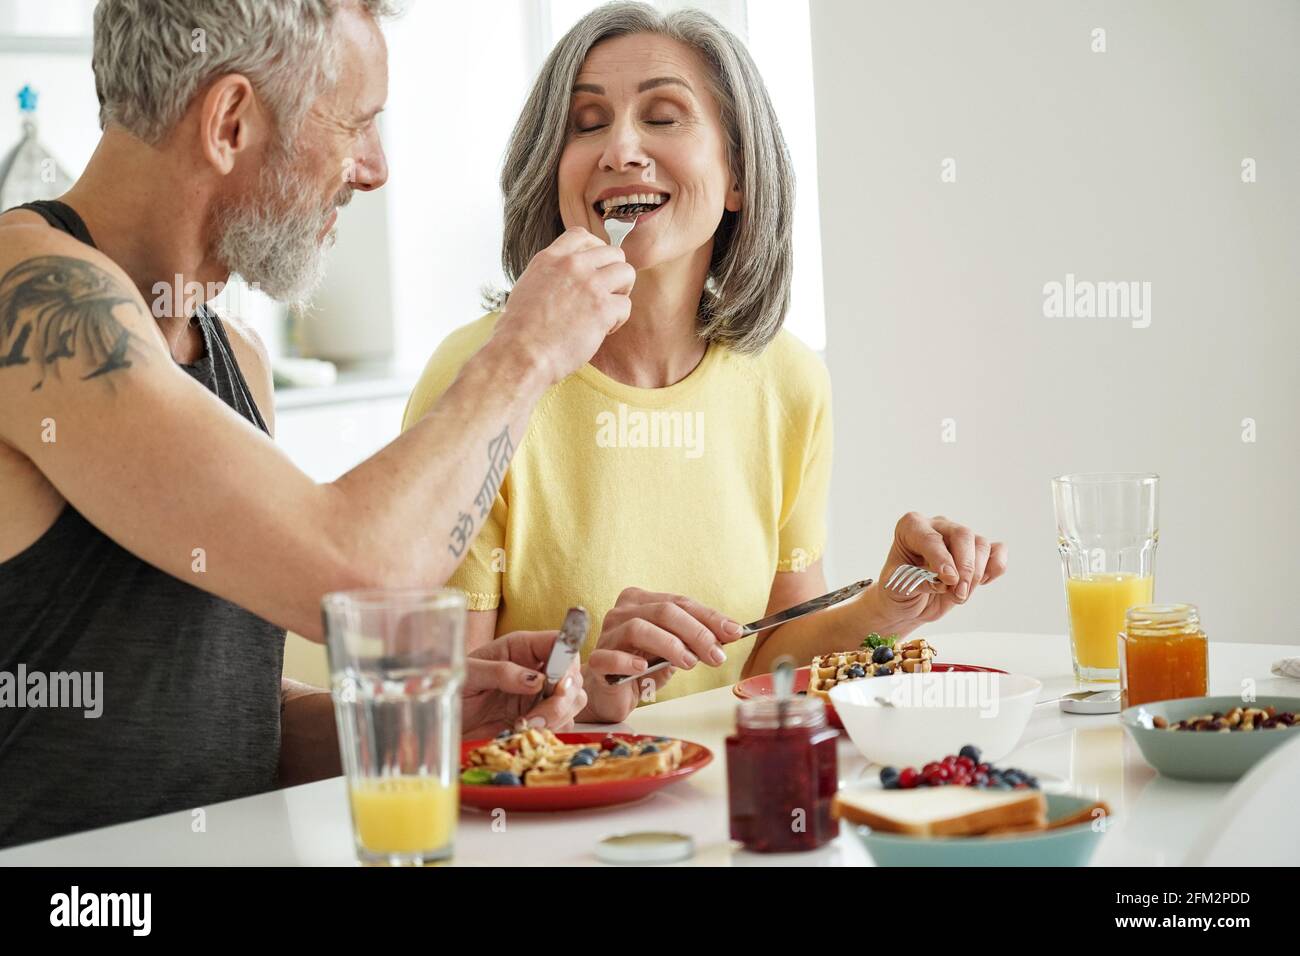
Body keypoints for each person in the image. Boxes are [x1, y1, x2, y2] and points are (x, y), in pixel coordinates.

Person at [0, 0, 633, 847]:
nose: (374, 169)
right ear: (230, 122)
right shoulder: (28, 298)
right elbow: (364, 582)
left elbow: (232, 724)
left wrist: (431, 714)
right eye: (357, 126)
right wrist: (525, 351)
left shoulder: (233, 356)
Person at [403, 2, 1009, 723]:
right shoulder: (483, 373)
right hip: (541, 824)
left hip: (725, 806)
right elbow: (436, 721)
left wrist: (888, 605)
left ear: (738, 179)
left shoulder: (787, 382)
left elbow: (768, 667)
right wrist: (591, 694)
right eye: (587, 123)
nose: (620, 148)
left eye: (663, 117)